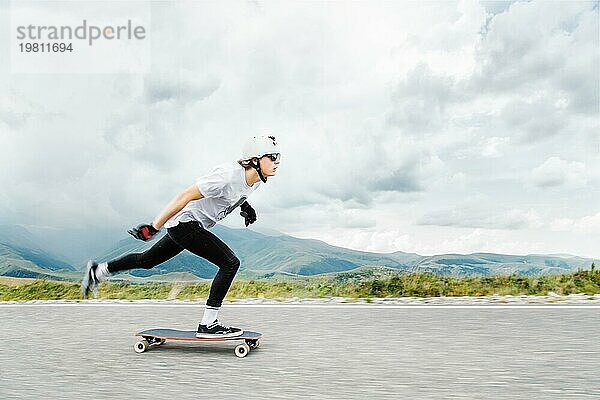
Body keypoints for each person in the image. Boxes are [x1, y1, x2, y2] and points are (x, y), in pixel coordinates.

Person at [81, 135, 281, 337]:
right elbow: (185, 196)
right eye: (272, 157)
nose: (277, 162)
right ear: (255, 160)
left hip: (190, 226)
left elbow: (236, 193)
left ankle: (98, 271)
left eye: (278, 157)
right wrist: (154, 226)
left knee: (148, 260)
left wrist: (245, 207)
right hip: (185, 223)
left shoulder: (256, 181)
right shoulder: (226, 175)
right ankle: (208, 325)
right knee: (230, 263)